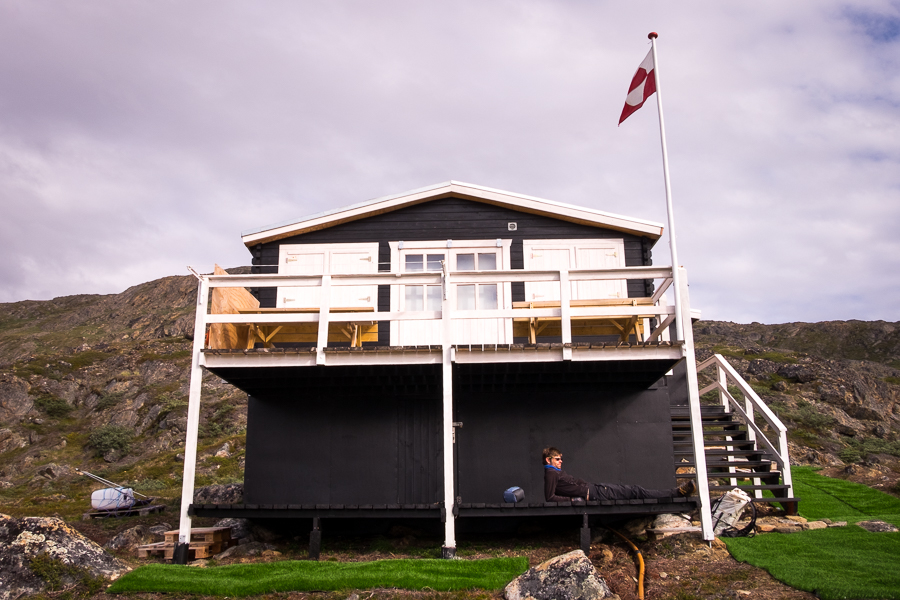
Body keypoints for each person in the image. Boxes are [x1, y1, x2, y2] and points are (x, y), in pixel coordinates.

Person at [542, 446, 696, 502]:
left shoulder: (555, 472)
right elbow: (550, 497)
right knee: (636, 491)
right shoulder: (551, 473)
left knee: (635, 490)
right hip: (595, 493)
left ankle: (676, 492)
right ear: (549, 460)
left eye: (561, 459)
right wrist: (572, 499)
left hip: (596, 489)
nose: (561, 461)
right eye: (557, 459)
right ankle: (677, 492)